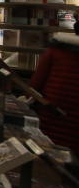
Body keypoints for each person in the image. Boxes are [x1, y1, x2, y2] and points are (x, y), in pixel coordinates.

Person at [30, 15, 79, 152]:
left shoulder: (57, 50)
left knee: (48, 161)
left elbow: (35, 85)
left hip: (51, 115)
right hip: (75, 129)